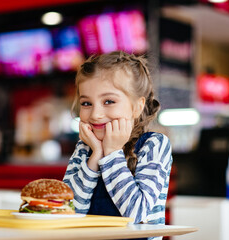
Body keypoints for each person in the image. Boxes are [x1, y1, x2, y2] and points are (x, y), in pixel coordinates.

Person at [63, 51, 173, 240]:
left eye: (109, 101)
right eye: (87, 103)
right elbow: (67, 213)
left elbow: (136, 215)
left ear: (137, 107)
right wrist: (96, 155)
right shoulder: (85, 149)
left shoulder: (154, 144)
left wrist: (112, 152)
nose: (96, 114)